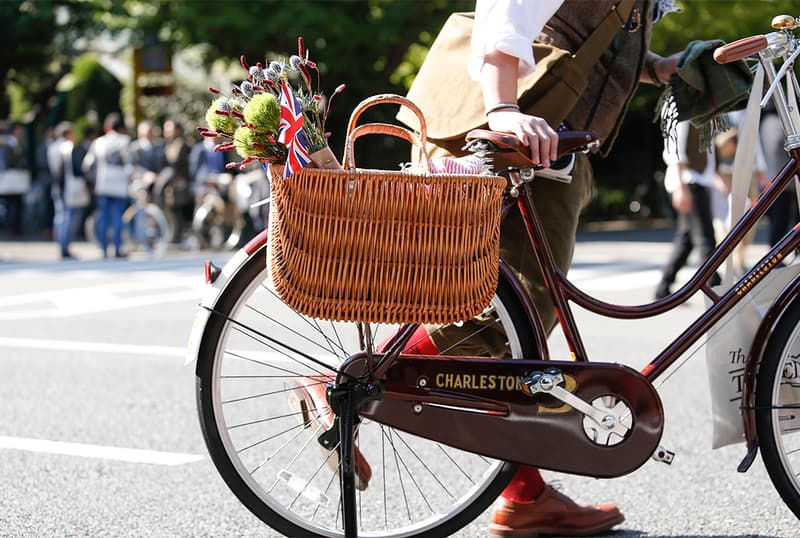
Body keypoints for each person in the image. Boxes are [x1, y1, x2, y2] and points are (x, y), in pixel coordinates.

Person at [396, 1, 684, 536]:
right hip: (530, 142)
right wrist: (502, 107)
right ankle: (348, 386)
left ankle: (524, 494)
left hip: (552, 146)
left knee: (515, 324)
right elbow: (509, 9)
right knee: (507, 321)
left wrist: (656, 67)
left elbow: (590, 33)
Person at [654, 120, 721, 299]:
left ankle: (664, 286)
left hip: (697, 181)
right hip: (688, 182)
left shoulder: (702, 110)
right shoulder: (685, 109)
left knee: (687, 239)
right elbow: (674, 148)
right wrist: (680, 186)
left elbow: (709, 151)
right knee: (705, 237)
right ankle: (714, 285)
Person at [82, 113, 132, 259]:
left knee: (103, 218)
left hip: (102, 184)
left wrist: (93, 180)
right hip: (119, 184)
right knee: (118, 217)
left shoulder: (98, 142)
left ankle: (104, 249)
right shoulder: (125, 141)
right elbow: (129, 165)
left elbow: (87, 165)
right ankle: (117, 249)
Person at [48, 122, 91, 259]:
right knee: (69, 218)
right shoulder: (68, 147)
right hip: (68, 187)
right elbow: (78, 169)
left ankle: (61, 245)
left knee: (60, 217)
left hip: (56, 186)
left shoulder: (52, 147)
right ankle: (65, 247)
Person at [157, 119, 193, 243]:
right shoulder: (168, 144)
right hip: (172, 186)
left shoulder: (181, 144)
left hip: (180, 185)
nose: (166, 132)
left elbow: (174, 159)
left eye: (169, 129)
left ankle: (178, 237)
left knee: (179, 213)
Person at [0, 122, 30, 237]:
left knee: (18, 205)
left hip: (19, 179)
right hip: (12, 179)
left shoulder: (21, 144)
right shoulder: (8, 144)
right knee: (11, 205)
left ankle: (17, 227)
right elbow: (9, 161)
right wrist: (20, 163)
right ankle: (10, 227)